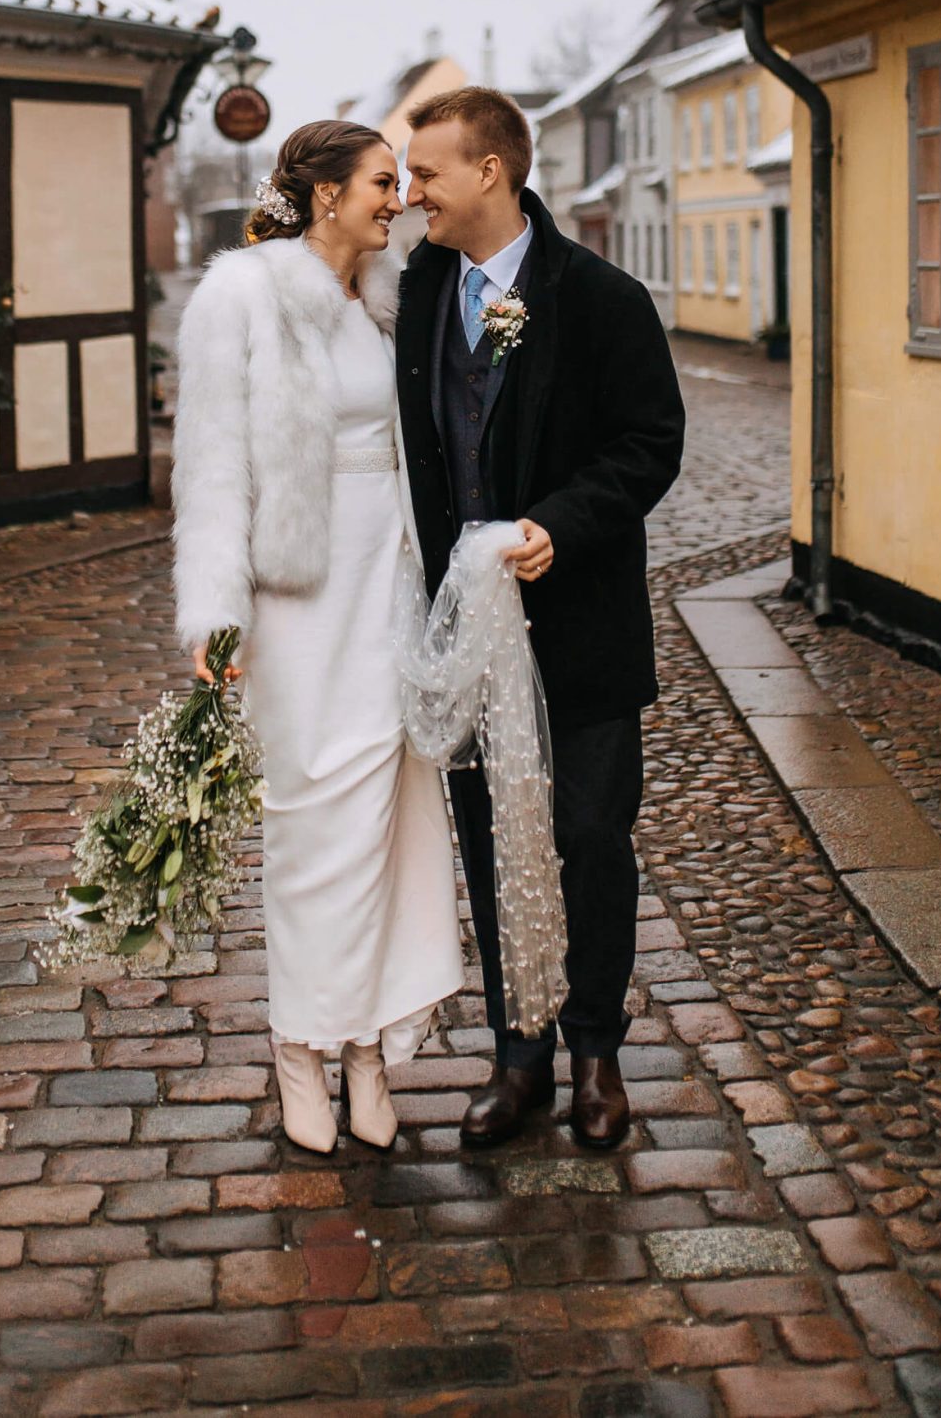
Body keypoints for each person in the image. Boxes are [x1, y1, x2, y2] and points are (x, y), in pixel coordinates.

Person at [397, 86, 685, 1150]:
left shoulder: (603, 297)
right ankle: (516, 1057)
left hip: (582, 626)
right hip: (469, 634)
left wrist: (561, 523)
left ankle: (596, 1056)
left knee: (588, 839)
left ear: (490, 171)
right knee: (488, 840)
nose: (411, 193)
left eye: (426, 172)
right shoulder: (417, 295)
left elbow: (649, 444)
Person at [171, 120, 465, 1155]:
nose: (400, 199)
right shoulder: (240, 297)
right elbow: (211, 466)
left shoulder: (389, 302)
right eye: (383, 182)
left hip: (388, 589)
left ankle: (366, 1050)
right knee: (312, 834)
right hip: (298, 602)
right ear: (326, 193)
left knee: (388, 826)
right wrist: (216, 611)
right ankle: (300, 1044)